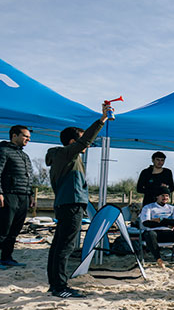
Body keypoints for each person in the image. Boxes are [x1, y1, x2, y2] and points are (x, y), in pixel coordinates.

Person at [44, 103, 113, 298]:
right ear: (73, 142)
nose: (87, 144)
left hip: (67, 204)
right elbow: (84, 142)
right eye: (82, 141)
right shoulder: (65, 154)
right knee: (65, 246)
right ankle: (60, 287)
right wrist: (102, 120)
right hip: (71, 204)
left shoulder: (64, 157)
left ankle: (55, 284)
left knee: (59, 245)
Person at [0, 125, 34, 268]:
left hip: (23, 196)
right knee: (3, 229)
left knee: (15, 230)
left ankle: (7, 257)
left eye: (29, 137)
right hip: (9, 195)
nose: (28, 139)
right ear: (14, 135)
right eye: (25, 136)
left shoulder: (24, 155)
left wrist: (30, 194)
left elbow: (29, 176)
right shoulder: (3, 151)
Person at [139, 187, 174, 267]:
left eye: (167, 196)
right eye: (162, 195)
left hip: (169, 233)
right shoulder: (148, 207)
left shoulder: (173, 208)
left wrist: (161, 220)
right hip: (155, 233)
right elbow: (146, 223)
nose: (165, 198)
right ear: (157, 196)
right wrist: (168, 223)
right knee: (149, 234)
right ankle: (159, 260)